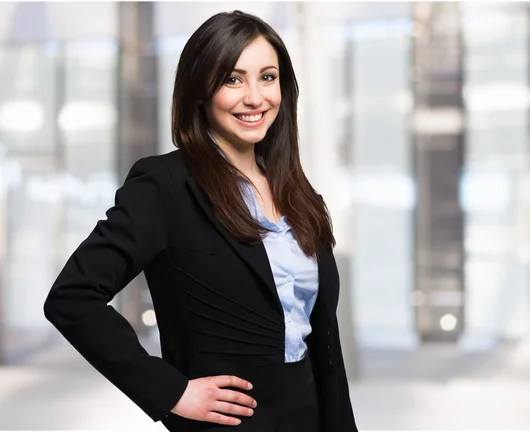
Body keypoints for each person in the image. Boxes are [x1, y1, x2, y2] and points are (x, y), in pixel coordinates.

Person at [43, 10, 357, 432]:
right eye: (233, 79)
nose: (255, 97)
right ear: (200, 91)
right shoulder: (165, 185)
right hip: (226, 424)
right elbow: (72, 297)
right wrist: (171, 391)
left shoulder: (298, 192)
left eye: (267, 77)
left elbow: (322, 341)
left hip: (311, 416)